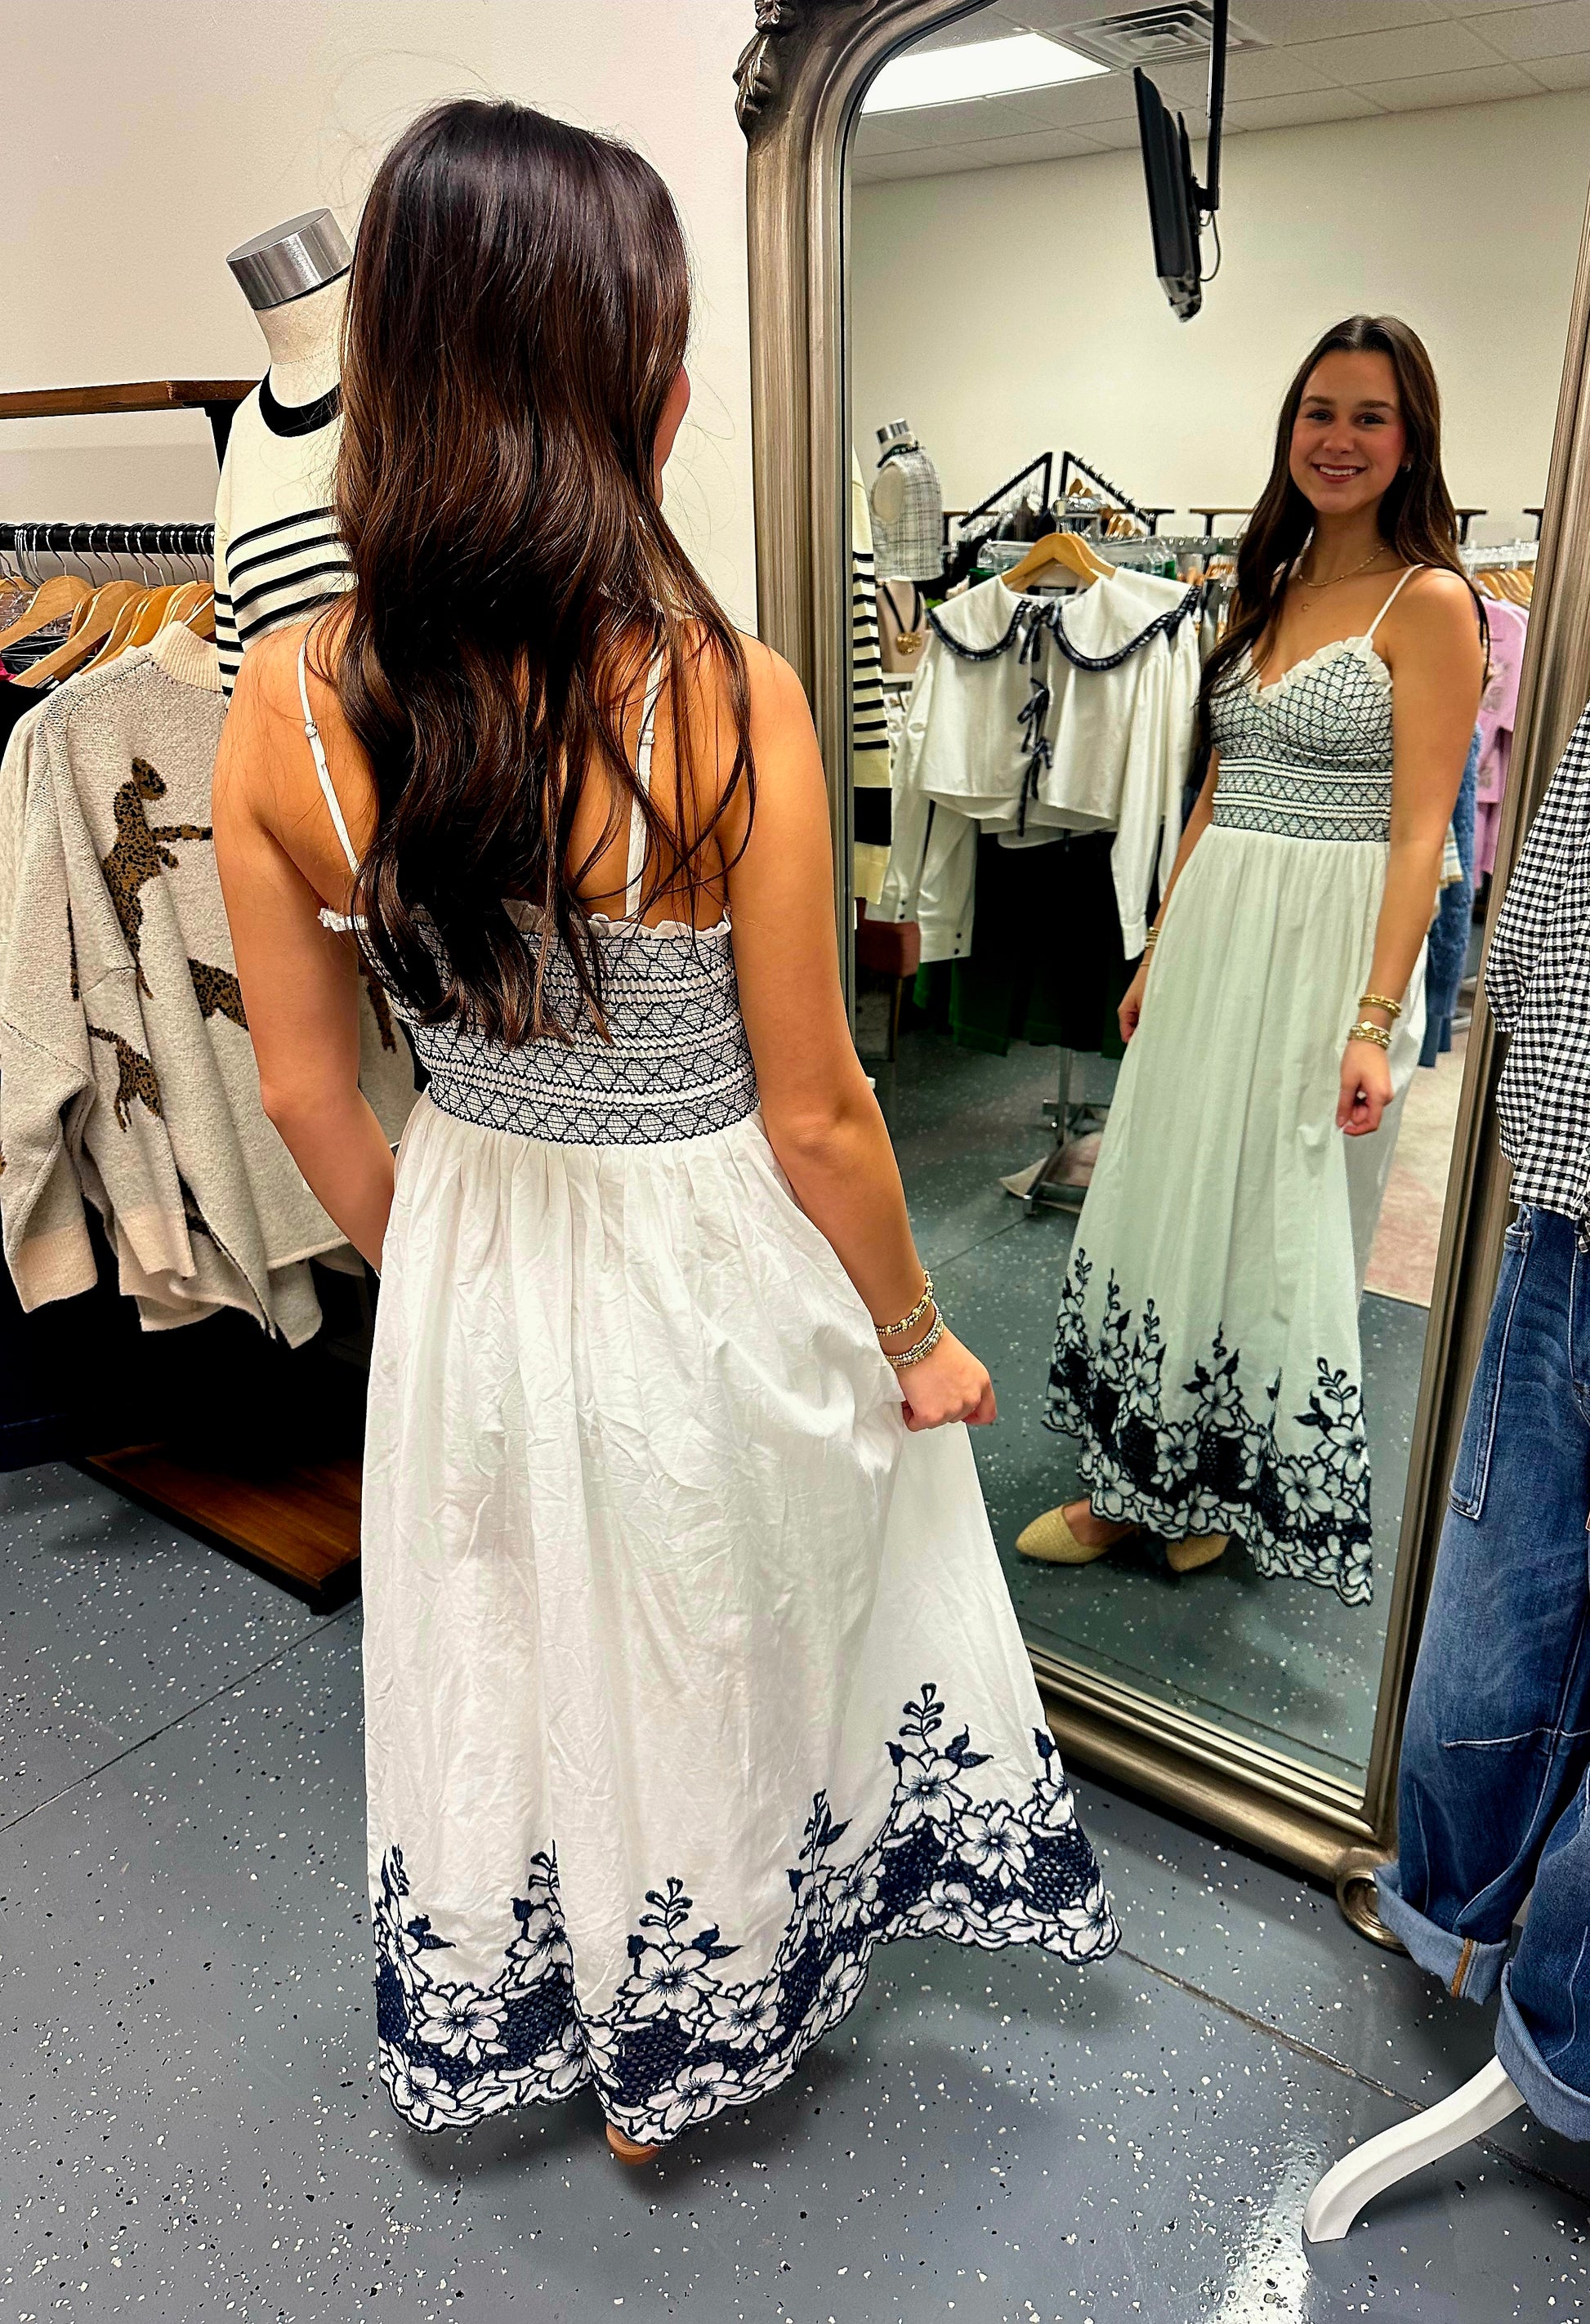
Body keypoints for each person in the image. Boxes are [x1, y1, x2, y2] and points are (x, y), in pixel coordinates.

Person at [212, 98, 1116, 2166]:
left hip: (467, 1229)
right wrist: (918, 1338)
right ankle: (679, 2036)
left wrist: (451, 1263)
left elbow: (299, 1088)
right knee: (712, 1629)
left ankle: (564, 2002)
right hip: (698, 1246)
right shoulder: (728, 691)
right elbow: (818, 1110)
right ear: (623, 382)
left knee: (514, 1636)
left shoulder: (277, 701)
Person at [1022, 314, 1485, 1602]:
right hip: (1218, 928)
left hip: (1328, 948)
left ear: (1410, 441)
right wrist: (1157, 947)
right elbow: (1214, 792)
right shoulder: (1258, 582)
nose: (1338, 439)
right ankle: (1140, 1480)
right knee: (1169, 1190)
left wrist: (1373, 1018)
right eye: (1317, 412)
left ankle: (1213, 1486)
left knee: (1273, 1218)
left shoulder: (1432, 603)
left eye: (1369, 416)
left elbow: (1419, 833)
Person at [1376, 700, 1590, 2141]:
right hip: (1566, 1201)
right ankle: (1561, 2029)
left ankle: (1466, 1929)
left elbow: (1533, 934)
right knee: (1505, 1593)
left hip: (1570, 1198)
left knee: (1506, 1587)